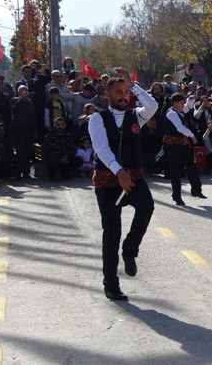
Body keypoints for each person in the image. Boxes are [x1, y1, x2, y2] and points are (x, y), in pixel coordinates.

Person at [88, 68, 158, 300]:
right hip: (108, 179)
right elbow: (101, 148)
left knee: (147, 207)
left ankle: (130, 250)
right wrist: (118, 172)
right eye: (119, 92)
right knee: (111, 232)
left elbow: (153, 107)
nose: (124, 96)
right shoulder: (97, 118)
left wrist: (135, 85)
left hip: (133, 174)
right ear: (107, 94)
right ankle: (111, 284)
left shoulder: (136, 115)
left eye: (126, 92)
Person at [164, 94, 206, 206]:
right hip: (172, 145)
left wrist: (190, 101)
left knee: (191, 165)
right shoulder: (171, 113)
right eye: (181, 103)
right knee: (175, 170)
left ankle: (197, 189)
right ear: (175, 103)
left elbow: (186, 108)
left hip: (182, 143)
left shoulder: (178, 111)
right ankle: (177, 196)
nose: (183, 105)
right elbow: (179, 127)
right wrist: (192, 135)